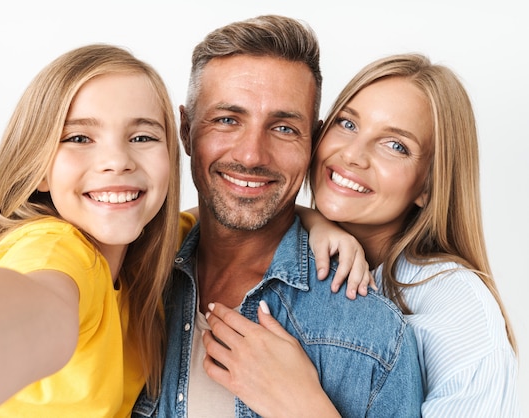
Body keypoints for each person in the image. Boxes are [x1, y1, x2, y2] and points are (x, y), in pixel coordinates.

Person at [132, 15, 423, 418]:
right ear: (185, 129)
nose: (251, 155)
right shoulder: (131, 282)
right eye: (227, 120)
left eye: (284, 128)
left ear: (313, 142)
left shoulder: (370, 334)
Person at [206, 53, 521, 417]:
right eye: (347, 124)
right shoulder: (301, 253)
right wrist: (311, 219)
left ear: (429, 186)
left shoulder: (456, 307)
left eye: (396, 145)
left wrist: (302, 406)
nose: (354, 155)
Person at [0, 43, 181, 418]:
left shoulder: (152, 250)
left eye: (143, 137)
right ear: (40, 169)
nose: (117, 161)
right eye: (79, 138)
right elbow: (4, 321)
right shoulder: (54, 251)